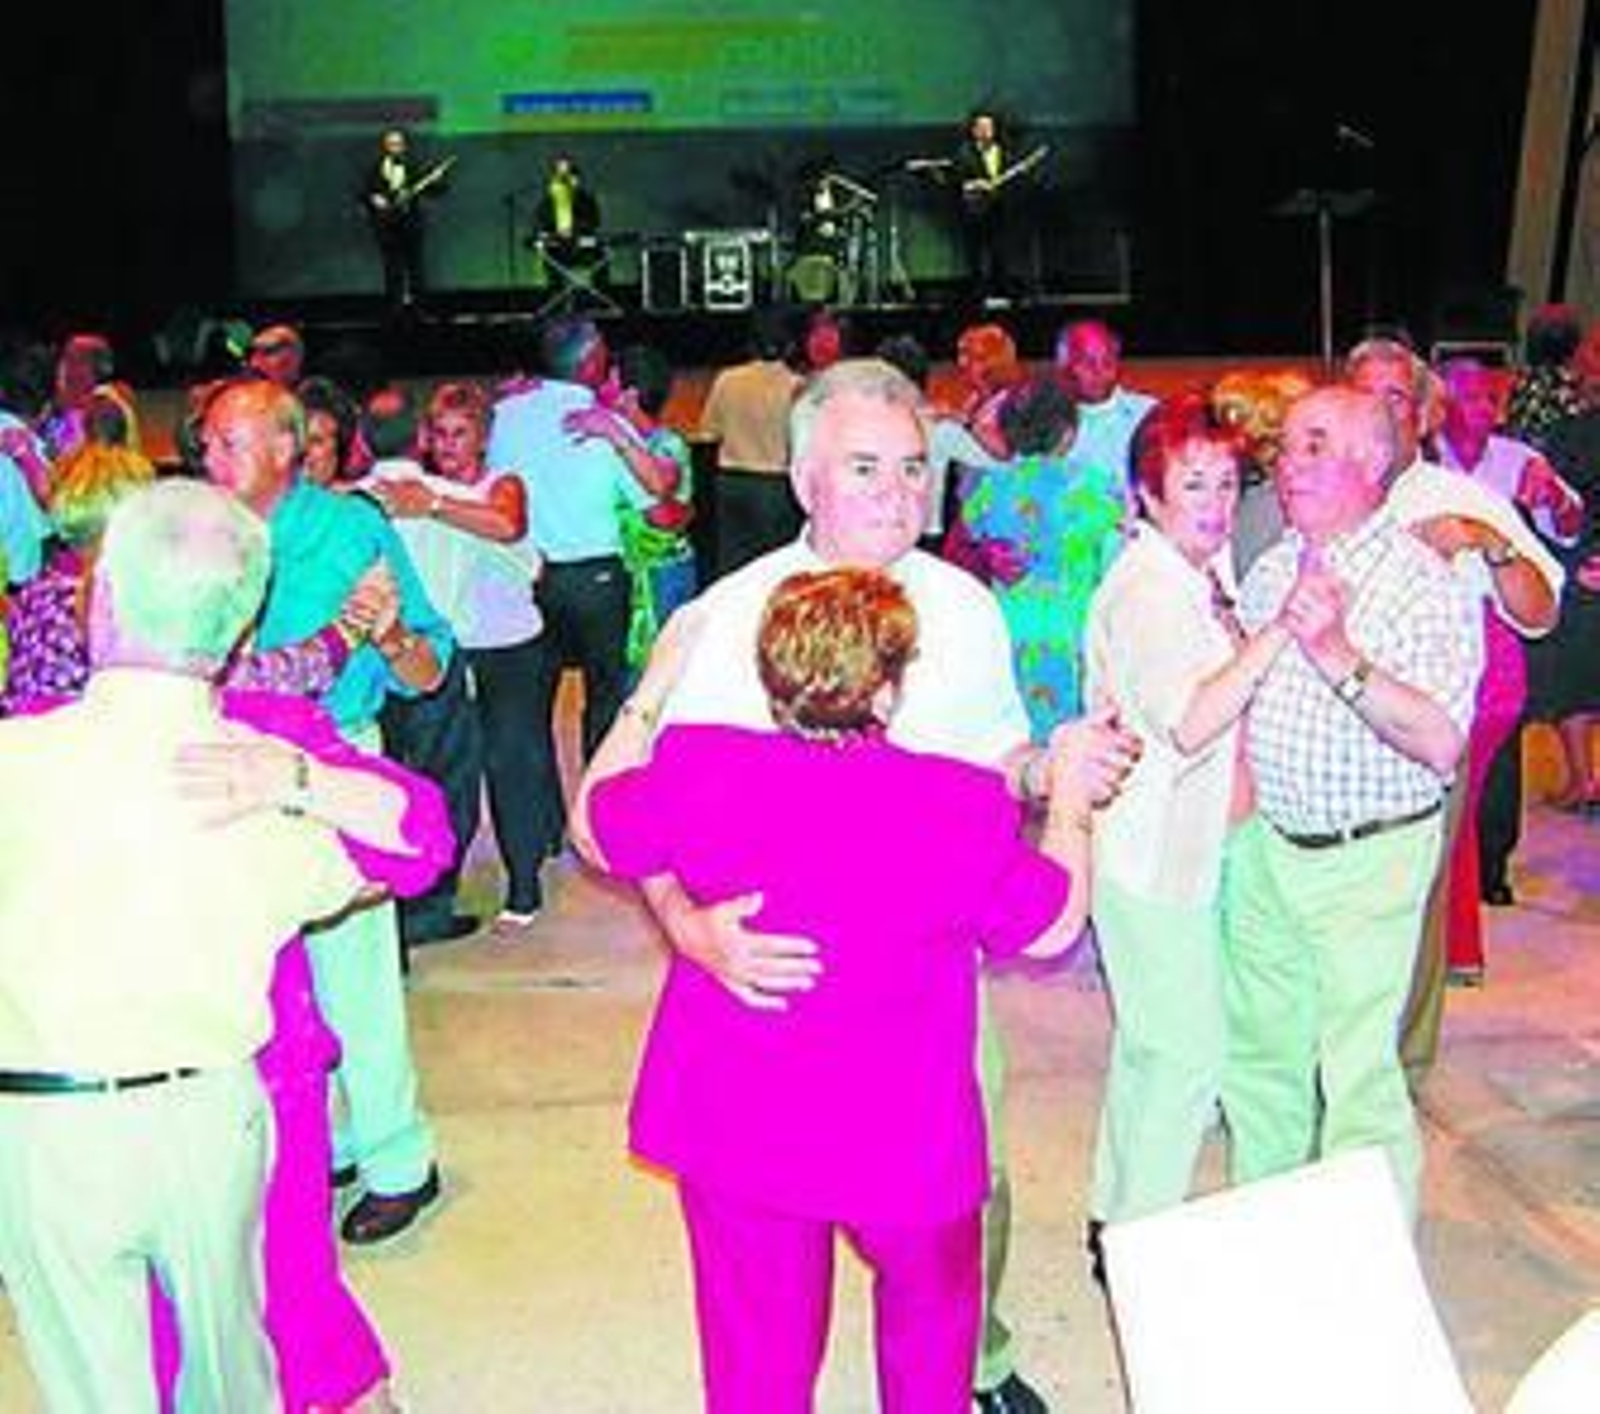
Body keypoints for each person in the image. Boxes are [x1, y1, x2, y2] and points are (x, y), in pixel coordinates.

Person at [606, 358, 1142, 1414]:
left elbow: (998, 765)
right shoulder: (728, 616)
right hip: (790, 1013)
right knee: (867, 1267)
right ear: (804, 478)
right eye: (865, 468)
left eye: (912, 467)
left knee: (947, 1228)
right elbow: (624, 831)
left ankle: (979, 1359)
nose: (898, 494)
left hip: (918, 1004)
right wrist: (687, 927)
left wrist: (1046, 768)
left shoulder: (964, 605)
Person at [0, 478, 386, 1411]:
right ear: (240, 628)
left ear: (105, 598)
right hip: (212, 1115)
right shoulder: (248, 785)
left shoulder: (15, 764)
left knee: (95, 1386)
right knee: (231, 1374)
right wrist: (304, 780)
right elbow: (391, 852)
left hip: (43, 1125)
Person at [1220, 384, 1482, 1221]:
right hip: (1271, 855)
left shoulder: (1420, 585)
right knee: (1261, 1066)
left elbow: (1441, 741)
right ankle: (1273, 1241)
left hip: (1368, 858)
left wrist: (1337, 653)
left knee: (1358, 1077)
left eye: (1313, 446)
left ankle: (1368, 1281)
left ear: (1371, 462)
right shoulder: (1269, 569)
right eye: (1288, 447)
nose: (1286, 466)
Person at [203, 376, 452, 1244]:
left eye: (228, 445)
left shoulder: (351, 531)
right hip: (233, 772)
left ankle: (397, 1159)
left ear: (285, 448)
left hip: (336, 761)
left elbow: (430, 672)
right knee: (271, 984)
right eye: (206, 445)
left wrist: (387, 639)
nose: (209, 461)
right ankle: (324, 1141)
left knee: (356, 978)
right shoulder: (201, 534)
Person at [1082, 393, 1295, 1238]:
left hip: (1184, 851)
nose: (1213, 505)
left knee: (1150, 1052)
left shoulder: (1198, 572)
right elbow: (1190, 718)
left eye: (1225, 484)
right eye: (1192, 485)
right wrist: (1276, 637)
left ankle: (1116, 1219)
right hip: (1151, 859)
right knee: (1185, 1059)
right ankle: (1145, 1243)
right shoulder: (1150, 591)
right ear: (1147, 495)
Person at [1344, 337, 1563, 1071]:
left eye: (1395, 397)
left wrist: (1489, 545)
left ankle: (1396, 1068)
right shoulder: (1315, 486)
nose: (1377, 411)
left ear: (1422, 414)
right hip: (1327, 739)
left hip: (1421, 740)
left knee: (1412, 904)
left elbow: (1540, 613)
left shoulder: (1458, 499)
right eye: (1363, 393)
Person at [485, 316, 672, 860]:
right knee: (605, 704)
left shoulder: (504, 414)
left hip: (529, 579)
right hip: (596, 581)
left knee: (532, 709)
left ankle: (540, 831)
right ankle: (596, 820)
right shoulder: (603, 423)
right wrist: (617, 432)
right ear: (591, 363)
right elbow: (656, 493)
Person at [364, 379, 549, 928]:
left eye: (460, 434)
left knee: (512, 763)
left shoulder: (497, 485)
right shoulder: (419, 492)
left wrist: (435, 505)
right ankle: (439, 886)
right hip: (457, 649)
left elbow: (507, 522)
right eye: (440, 434)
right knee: (455, 772)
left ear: (484, 436)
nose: (448, 446)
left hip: (511, 646)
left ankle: (524, 886)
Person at [1433, 356, 1582, 928]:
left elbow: (1567, 526)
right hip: (1440, 626)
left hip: (1499, 627)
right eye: (1471, 398)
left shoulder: (1518, 458)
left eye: (1490, 398)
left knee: (1501, 751)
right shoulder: (1425, 462)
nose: (1485, 409)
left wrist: (1554, 501)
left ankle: (1492, 865)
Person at [956, 376, 1125, 736]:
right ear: (1069, 431)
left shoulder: (984, 489)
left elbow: (969, 550)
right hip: (1077, 636)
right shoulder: (1097, 486)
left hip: (1010, 635)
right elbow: (1116, 564)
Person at [696, 306, 804, 579]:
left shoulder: (727, 380)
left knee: (733, 571)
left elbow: (708, 434)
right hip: (776, 487)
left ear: (750, 344)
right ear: (790, 346)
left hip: (731, 483)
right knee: (778, 572)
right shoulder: (798, 387)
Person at [1053, 318, 1157, 497]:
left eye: (1108, 361)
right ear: (1063, 366)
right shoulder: (1047, 423)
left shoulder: (1149, 415)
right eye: (1087, 362)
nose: (1098, 371)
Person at [363, 128, 447, 312]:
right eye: (392, 144)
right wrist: (374, 199)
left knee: (416, 268)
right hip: (386, 227)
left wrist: (437, 181)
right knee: (392, 269)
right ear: (385, 146)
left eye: (399, 144)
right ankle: (394, 309)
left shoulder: (414, 166)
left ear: (405, 146)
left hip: (411, 226)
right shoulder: (374, 168)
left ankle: (420, 309)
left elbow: (435, 191)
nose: (396, 148)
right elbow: (364, 192)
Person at [953, 110, 1014, 303]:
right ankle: (978, 297)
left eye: (990, 127)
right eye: (982, 127)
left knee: (1000, 252)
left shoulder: (1003, 151)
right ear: (974, 131)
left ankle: (1001, 293)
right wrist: (977, 184)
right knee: (976, 255)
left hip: (999, 209)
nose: (987, 131)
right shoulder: (964, 153)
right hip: (975, 210)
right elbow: (957, 183)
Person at [532, 153, 602, 273]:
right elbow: (539, 224)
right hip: (556, 250)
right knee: (549, 258)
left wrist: (573, 230)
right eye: (559, 176)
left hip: (583, 249)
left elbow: (594, 221)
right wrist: (547, 235)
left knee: (600, 254)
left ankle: (602, 291)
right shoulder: (547, 203)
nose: (564, 180)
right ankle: (555, 291)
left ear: (576, 178)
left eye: (568, 175)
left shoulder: (586, 200)